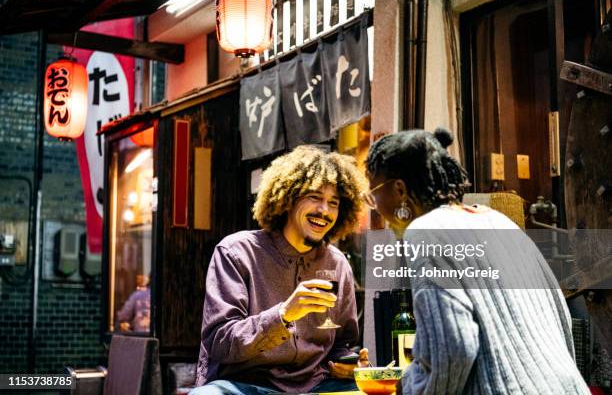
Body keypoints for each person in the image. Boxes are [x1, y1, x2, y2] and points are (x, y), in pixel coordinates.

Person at [365, 128, 590, 394]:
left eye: (373, 193)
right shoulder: (498, 221)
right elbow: (561, 318)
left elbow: (452, 348)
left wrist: (413, 389)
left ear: (400, 190)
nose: (375, 206)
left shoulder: (426, 231)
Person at [191, 146, 370, 395]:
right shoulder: (236, 252)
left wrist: (349, 364)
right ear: (287, 198)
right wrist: (284, 315)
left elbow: (342, 343)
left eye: (334, 203)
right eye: (315, 197)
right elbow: (221, 342)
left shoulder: (337, 263)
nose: (324, 211)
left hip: (315, 386)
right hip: (246, 385)